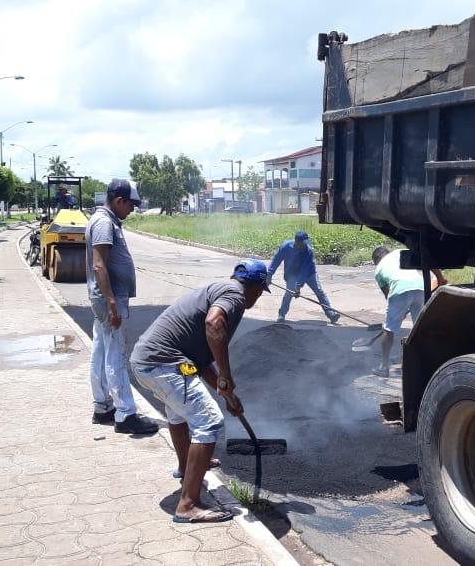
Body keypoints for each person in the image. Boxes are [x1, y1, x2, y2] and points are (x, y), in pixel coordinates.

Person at [128, 259, 269, 523]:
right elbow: (214, 324)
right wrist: (226, 375)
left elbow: (201, 362)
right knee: (209, 422)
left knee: (179, 413)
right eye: (261, 291)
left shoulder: (218, 289)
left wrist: (225, 392)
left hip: (149, 361)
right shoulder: (235, 295)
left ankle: (185, 468)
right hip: (164, 364)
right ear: (257, 287)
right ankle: (188, 505)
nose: (258, 297)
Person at [86, 179, 158, 435]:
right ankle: (125, 414)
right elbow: (98, 264)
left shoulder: (102, 219)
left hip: (103, 299)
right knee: (115, 355)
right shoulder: (105, 223)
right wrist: (112, 302)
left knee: (100, 351)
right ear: (119, 201)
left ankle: (102, 406)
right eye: (131, 205)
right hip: (109, 299)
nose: (132, 210)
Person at [371, 246, 447, 376]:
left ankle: (383, 367)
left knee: (389, 329)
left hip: (399, 291)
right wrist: (440, 278)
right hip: (420, 288)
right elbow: (426, 260)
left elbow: (388, 295)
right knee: (419, 328)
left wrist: (399, 311)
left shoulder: (378, 269)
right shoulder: (400, 252)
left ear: (377, 260)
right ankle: (424, 365)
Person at [267, 230, 339, 324]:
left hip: (309, 273)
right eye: (303, 243)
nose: (306, 245)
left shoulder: (308, 250)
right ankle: (281, 315)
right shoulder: (285, 247)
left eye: (306, 242)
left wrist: (298, 286)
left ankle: (330, 313)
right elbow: (276, 260)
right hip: (292, 273)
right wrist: (269, 275)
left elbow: (305, 270)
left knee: (319, 291)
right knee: (289, 292)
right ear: (297, 242)